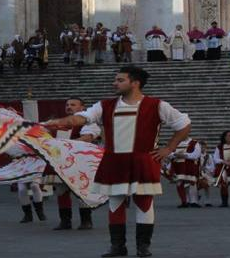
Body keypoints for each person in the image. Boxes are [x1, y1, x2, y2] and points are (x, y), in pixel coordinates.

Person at [45, 66, 192, 258]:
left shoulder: (157, 105)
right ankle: (118, 246)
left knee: (144, 203)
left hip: (142, 160)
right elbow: (82, 117)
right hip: (114, 160)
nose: (115, 83)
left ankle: (143, 248)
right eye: (116, 79)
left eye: (120, 80)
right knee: (115, 203)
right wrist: (61, 121)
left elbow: (184, 124)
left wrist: (169, 148)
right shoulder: (105, 105)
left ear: (135, 83)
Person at [50, 97, 100, 230]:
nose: (69, 107)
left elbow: (88, 137)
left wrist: (64, 145)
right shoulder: (60, 122)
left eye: (73, 104)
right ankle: (65, 221)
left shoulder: (88, 122)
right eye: (67, 104)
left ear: (82, 108)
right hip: (60, 161)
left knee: (81, 190)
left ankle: (86, 221)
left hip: (80, 162)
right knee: (61, 191)